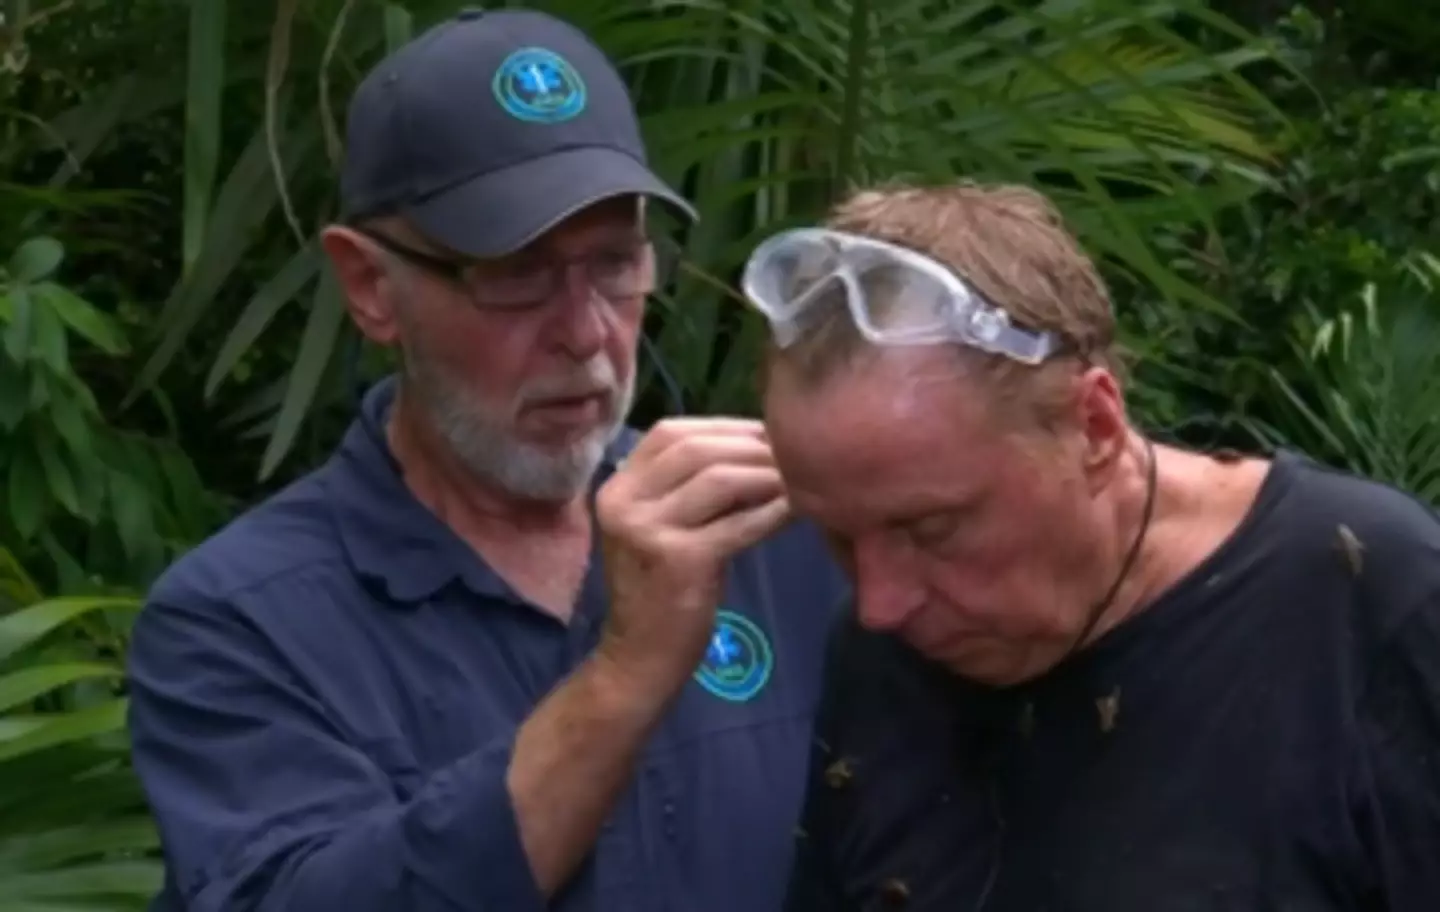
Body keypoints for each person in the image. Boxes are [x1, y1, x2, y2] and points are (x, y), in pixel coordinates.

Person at [124, 9, 847, 911]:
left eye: (615, 263)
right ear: (370, 286)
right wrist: (624, 676)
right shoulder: (238, 624)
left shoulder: (770, 533)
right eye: (517, 274)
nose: (585, 333)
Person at [739, 181, 1440, 910]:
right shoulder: (879, 652)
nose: (881, 605)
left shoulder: (1368, 603)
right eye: (837, 534)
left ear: (1094, 428)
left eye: (932, 529)